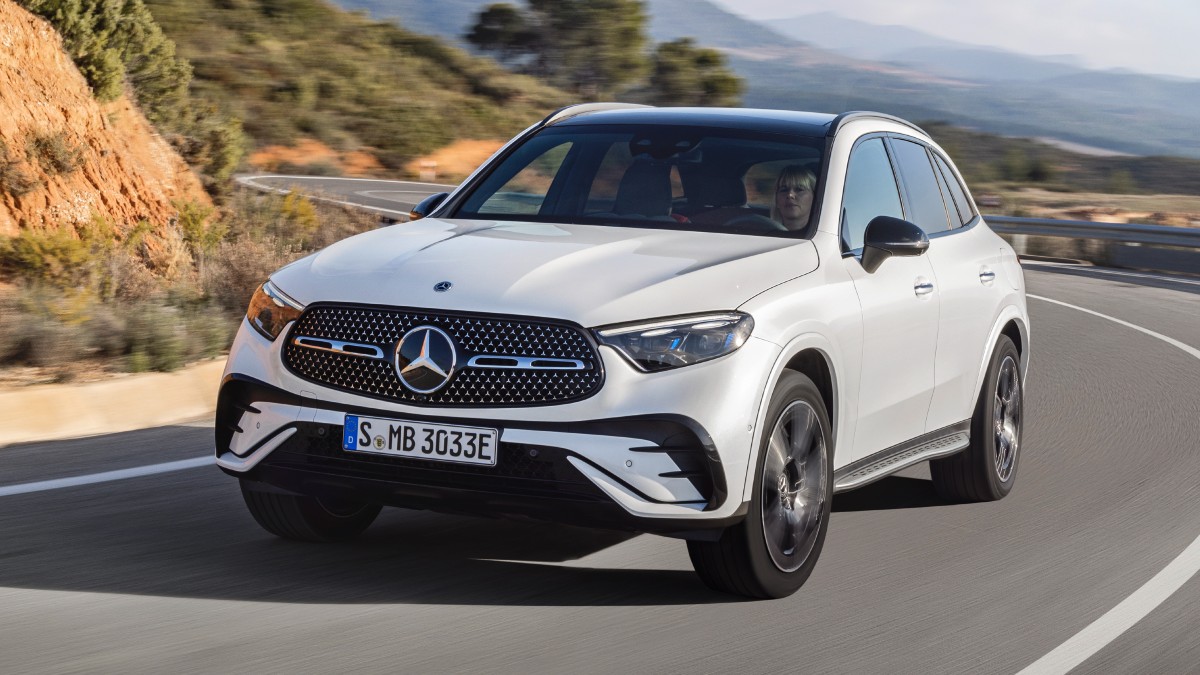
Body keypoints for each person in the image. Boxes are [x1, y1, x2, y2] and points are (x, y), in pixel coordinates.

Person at [771, 165, 816, 232]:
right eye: (784, 190)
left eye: (799, 189)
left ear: (814, 197)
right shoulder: (764, 233)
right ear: (776, 200)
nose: (790, 195)